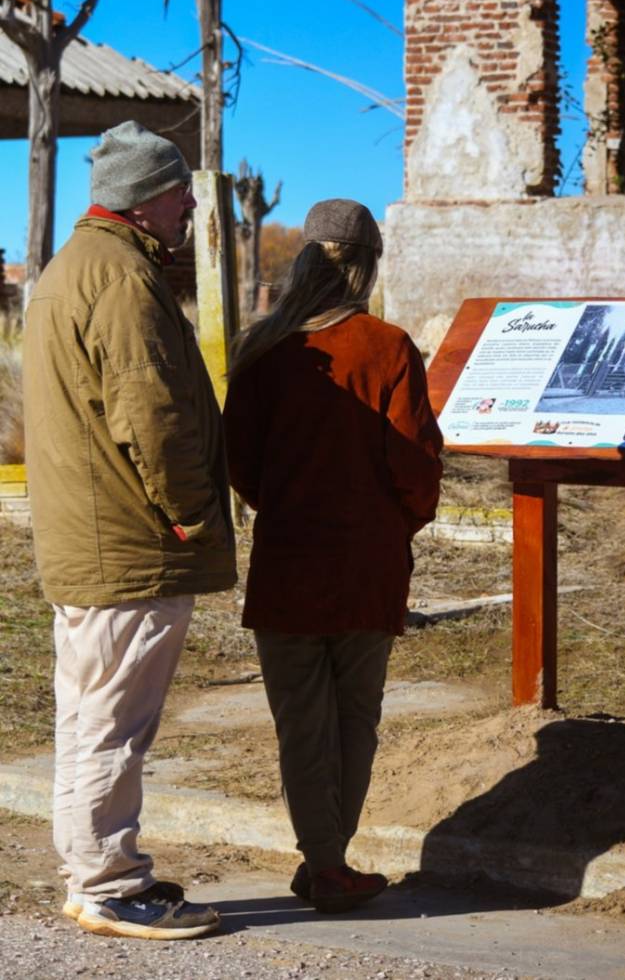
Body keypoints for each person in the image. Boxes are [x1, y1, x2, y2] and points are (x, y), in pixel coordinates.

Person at [23, 120, 237, 940]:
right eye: (180, 191)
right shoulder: (121, 280)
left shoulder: (73, 269)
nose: (190, 204)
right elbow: (151, 413)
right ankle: (110, 885)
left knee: (88, 718)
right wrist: (189, 512)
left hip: (91, 537)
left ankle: (92, 875)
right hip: (128, 541)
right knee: (113, 721)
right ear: (147, 201)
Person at [223, 198, 443, 914]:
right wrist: (394, 524)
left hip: (286, 560)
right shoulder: (386, 347)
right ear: (368, 263)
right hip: (364, 566)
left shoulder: (260, 351)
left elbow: (241, 466)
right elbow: (417, 465)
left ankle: (323, 858)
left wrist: (287, 507)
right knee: (355, 718)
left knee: (300, 722)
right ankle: (328, 862)